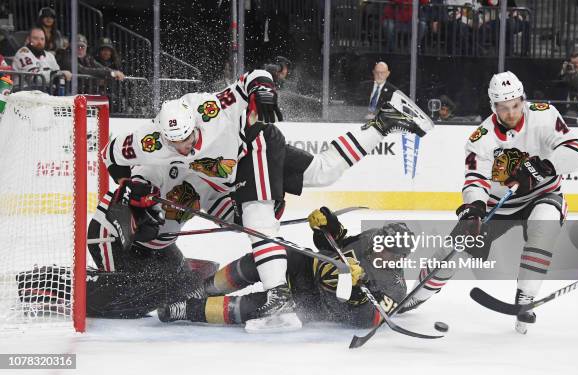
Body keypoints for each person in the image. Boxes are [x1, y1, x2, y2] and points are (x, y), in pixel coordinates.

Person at [102, 70, 433, 330]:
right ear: (162, 135)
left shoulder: (209, 109)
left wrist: (263, 88)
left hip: (256, 145)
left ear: (194, 124)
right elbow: (109, 156)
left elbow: (250, 79)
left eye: (188, 138)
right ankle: (385, 121)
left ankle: (278, 294)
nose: (185, 146)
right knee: (320, 174)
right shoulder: (148, 142)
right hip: (228, 182)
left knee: (257, 217)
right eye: (176, 143)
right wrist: (132, 185)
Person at [400, 71, 578, 334]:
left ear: (523, 99)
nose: (511, 113)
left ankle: (525, 299)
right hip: (496, 204)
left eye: (515, 105)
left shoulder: (544, 115)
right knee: (452, 251)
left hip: (543, 194)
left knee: (543, 226)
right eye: (503, 108)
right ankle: (417, 294)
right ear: (493, 107)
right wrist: (474, 207)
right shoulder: (481, 138)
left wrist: (544, 166)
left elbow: (576, 153)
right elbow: (475, 179)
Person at [16, 163, 223, 319]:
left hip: (148, 246)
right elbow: (124, 178)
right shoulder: (163, 164)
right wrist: (141, 212)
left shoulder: (207, 182)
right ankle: (44, 283)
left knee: (177, 277)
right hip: (110, 236)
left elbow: (224, 208)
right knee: (125, 292)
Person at [157, 207, 409, 330]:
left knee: (254, 307)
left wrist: (355, 290)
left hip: (313, 302)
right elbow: (339, 243)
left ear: (399, 258)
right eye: (380, 241)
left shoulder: (395, 287)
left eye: (385, 249)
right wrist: (327, 225)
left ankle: (186, 309)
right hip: (308, 264)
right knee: (268, 254)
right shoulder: (373, 238)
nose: (377, 248)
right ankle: (202, 289)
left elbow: (366, 319)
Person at [56, 34, 125, 94]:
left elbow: (100, 67)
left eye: (82, 46)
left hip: (84, 93)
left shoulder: (88, 58)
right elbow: (83, 70)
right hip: (68, 93)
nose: (80, 49)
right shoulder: (66, 56)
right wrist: (110, 73)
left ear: (86, 48)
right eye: (77, 46)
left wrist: (113, 71)